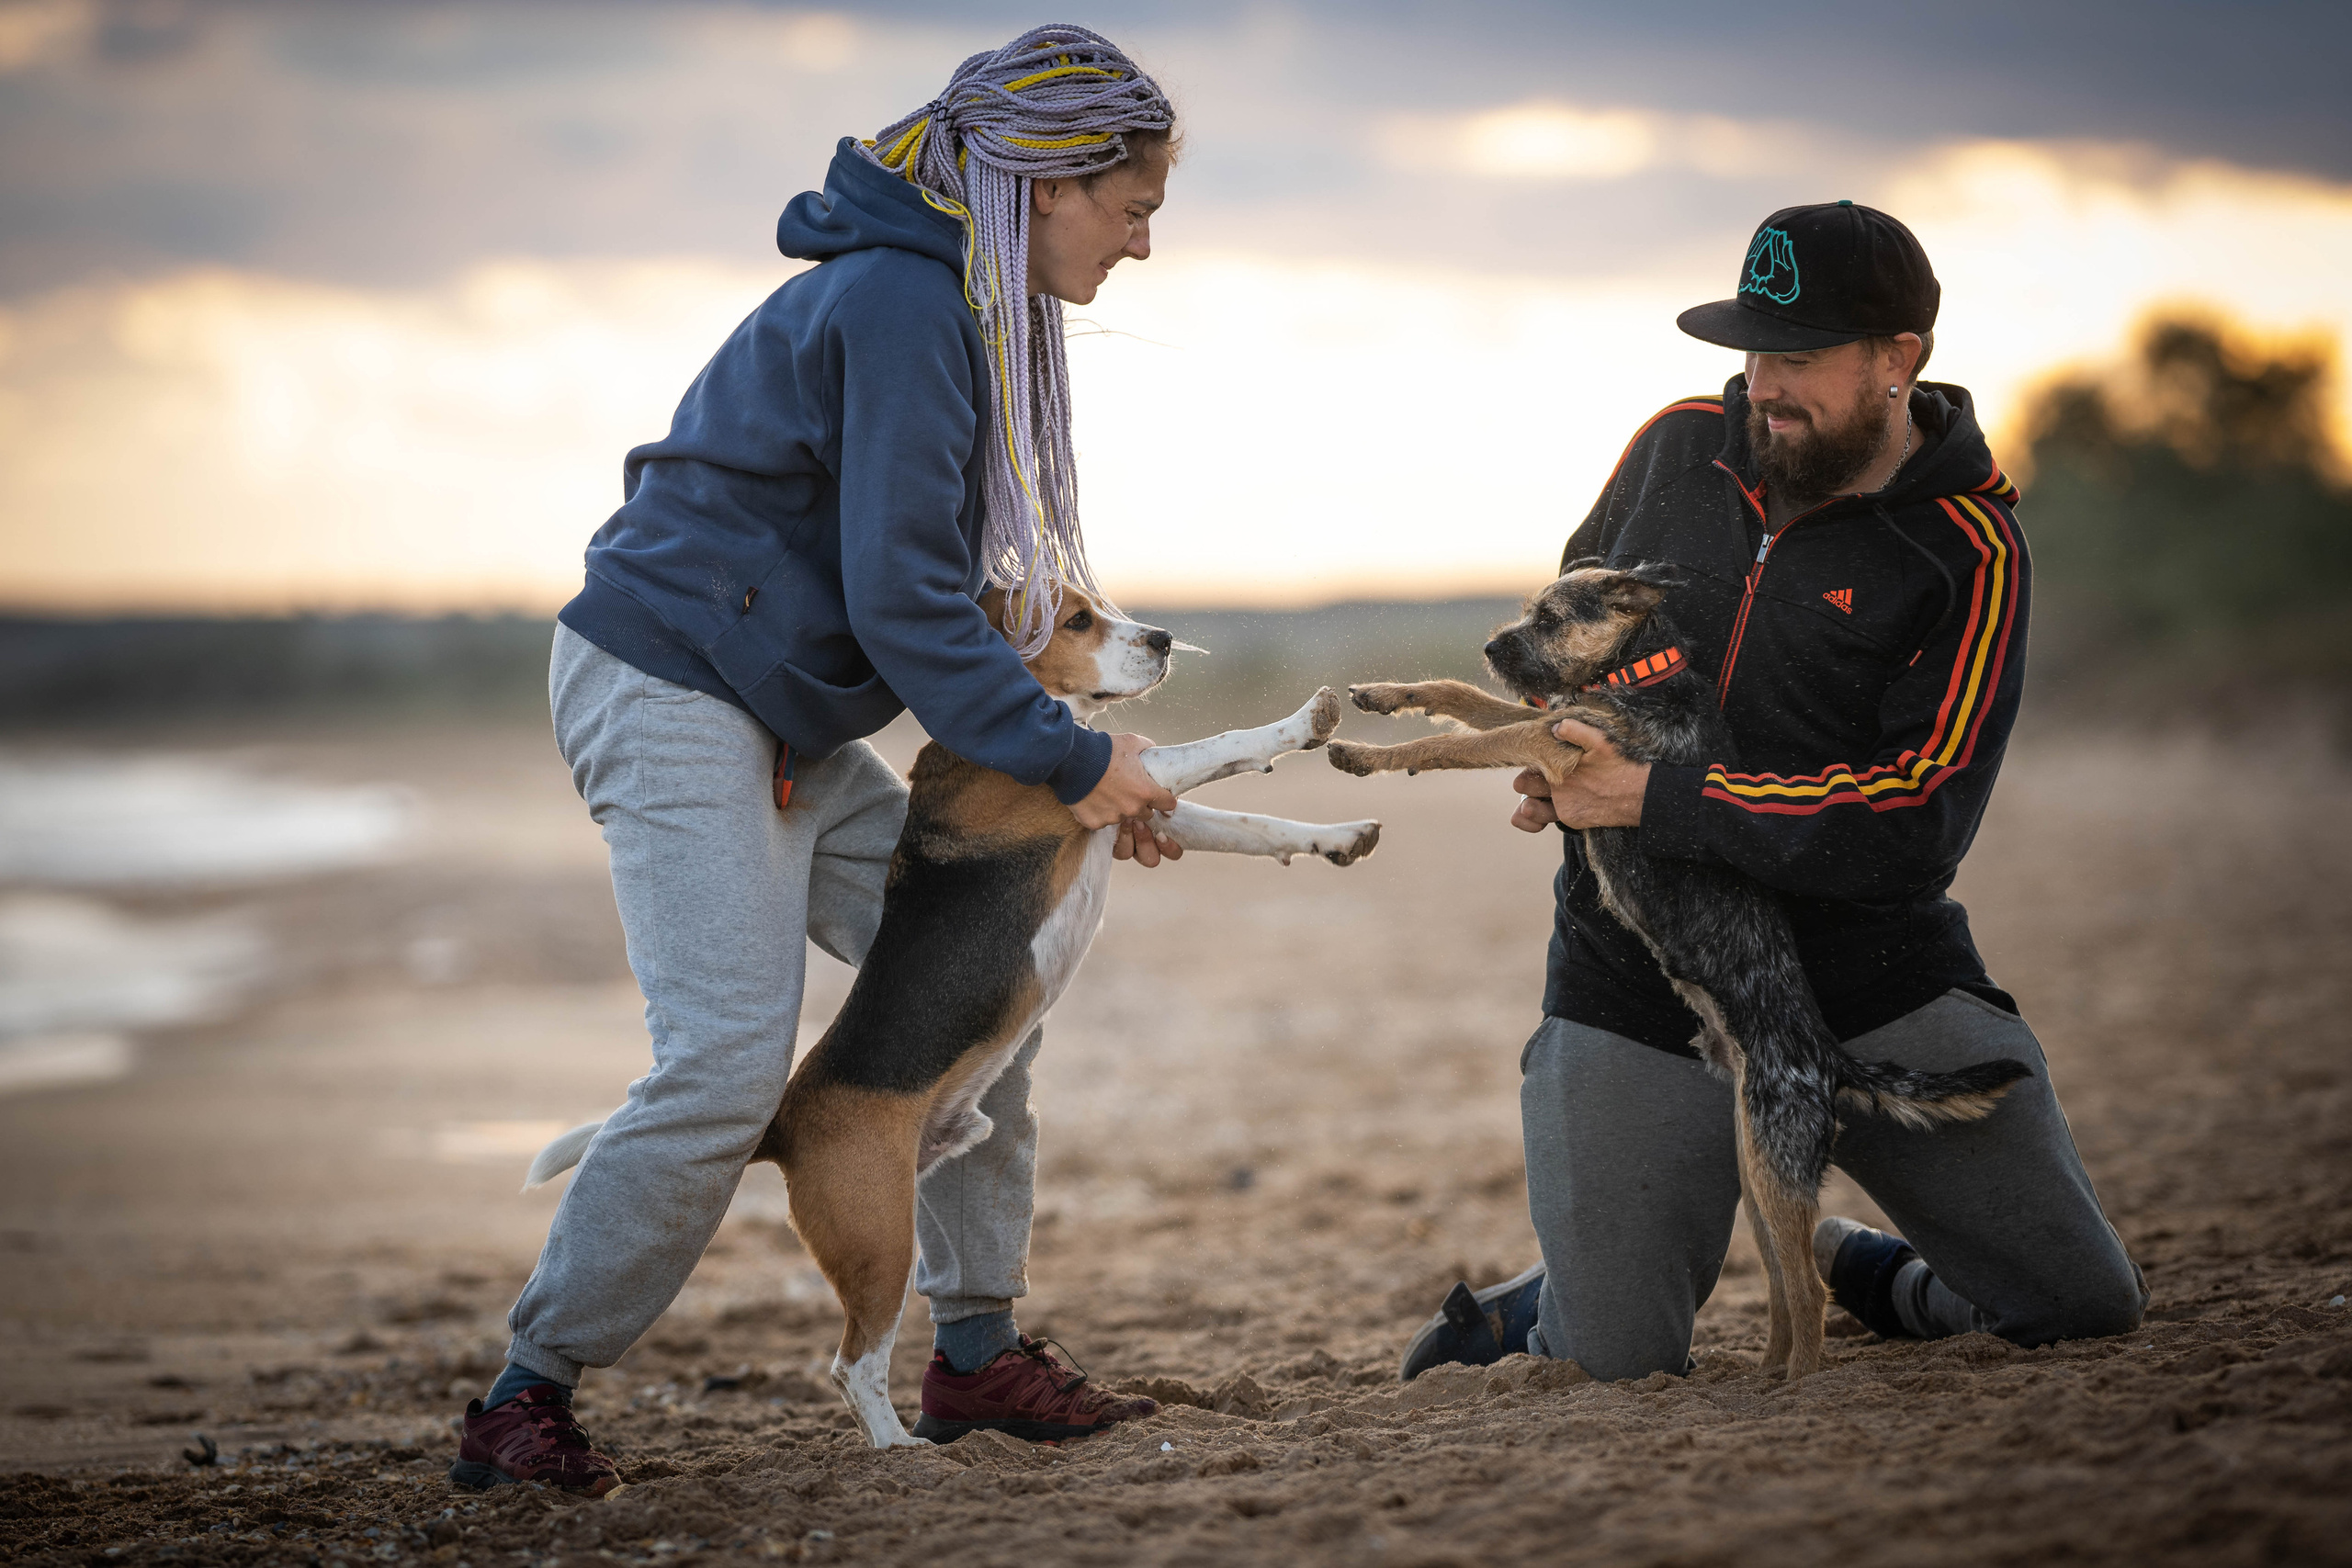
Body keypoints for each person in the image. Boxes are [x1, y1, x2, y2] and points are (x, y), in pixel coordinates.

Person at [451, 28, 1185, 1493]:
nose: (1144, 243)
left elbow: (925, 603)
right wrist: (1067, 751)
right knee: (727, 1061)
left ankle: (975, 1355)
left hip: (770, 707)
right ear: (1043, 185)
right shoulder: (909, 305)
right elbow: (910, 596)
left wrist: (1073, 782)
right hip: (668, 681)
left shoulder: (951, 301)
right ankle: (523, 1395)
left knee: (988, 989)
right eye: (1132, 206)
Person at [1399, 202, 2147, 1384]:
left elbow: (1916, 818)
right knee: (1617, 1358)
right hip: (1635, 978)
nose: (1761, 387)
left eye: (1796, 358)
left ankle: (1866, 1267)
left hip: (1871, 980)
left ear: (1897, 360)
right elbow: (1569, 662)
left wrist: (1658, 799)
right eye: (1750, 354)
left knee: (2080, 1308)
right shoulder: (1670, 446)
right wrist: (1562, 769)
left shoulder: (1967, 545)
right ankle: (1565, 1291)